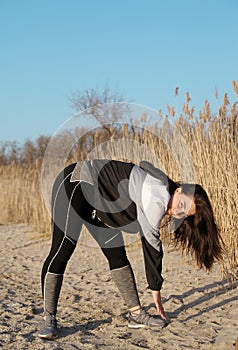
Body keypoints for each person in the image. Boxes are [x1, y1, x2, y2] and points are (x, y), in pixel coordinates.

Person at [38, 159, 223, 339]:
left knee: (117, 256)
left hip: (101, 204)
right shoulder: (158, 195)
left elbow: (145, 165)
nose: (177, 213)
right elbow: (151, 244)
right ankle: (49, 318)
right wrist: (155, 289)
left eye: (184, 213)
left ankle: (136, 314)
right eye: (181, 205)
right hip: (75, 183)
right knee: (63, 250)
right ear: (180, 190)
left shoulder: (164, 186)